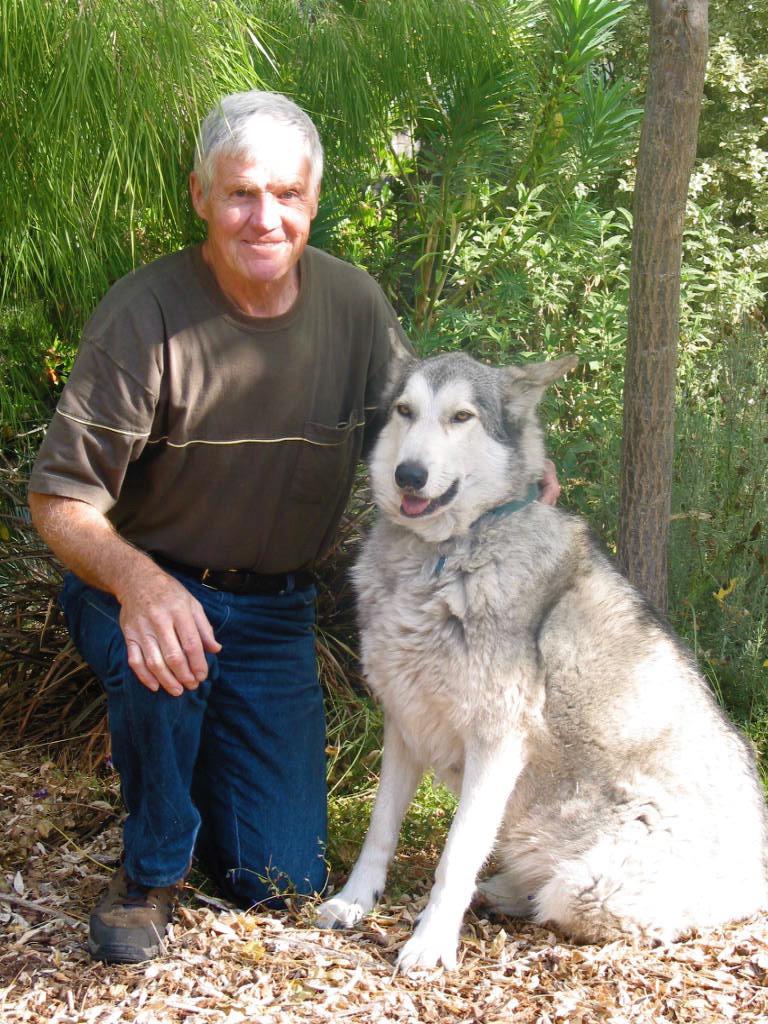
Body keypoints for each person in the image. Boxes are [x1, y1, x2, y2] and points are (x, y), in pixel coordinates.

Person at [28, 90, 561, 965]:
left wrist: (513, 470)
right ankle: (150, 871)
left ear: (314, 198)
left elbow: (417, 432)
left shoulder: (353, 308)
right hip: (145, 584)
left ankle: (184, 769)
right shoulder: (144, 314)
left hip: (274, 613)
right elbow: (60, 502)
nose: (263, 217)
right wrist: (139, 584)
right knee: (165, 650)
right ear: (201, 197)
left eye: (286, 194)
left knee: (279, 878)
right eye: (240, 193)